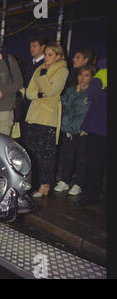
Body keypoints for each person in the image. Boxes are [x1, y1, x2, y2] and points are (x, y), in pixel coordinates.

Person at [25, 42, 69, 198]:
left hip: (48, 116)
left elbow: (51, 90)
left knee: (46, 153)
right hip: (34, 114)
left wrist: (43, 78)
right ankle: (34, 182)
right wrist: (40, 94)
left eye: (50, 55)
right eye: (46, 54)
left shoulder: (62, 71)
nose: (47, 57)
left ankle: (45, 185)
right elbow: (29, 92)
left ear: (58, 56)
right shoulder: (39, 69)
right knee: (33, 151)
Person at [54, 65, 96, 196]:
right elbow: (65, 106)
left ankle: (79, 183)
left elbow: (86, 111)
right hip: (68, 128)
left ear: (92, 77)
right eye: (80, 75)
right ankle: (65, 180)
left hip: (82, 130)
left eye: (86, 75)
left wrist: (87, 127)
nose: (82, 78)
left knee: (81, 158)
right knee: (67, 155)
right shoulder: (71, 90)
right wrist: (75, 94)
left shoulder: (92, 93)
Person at [74, 77, 107, 207]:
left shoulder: (99, 86)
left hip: (99, 131)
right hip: (97, 131)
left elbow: (94, 93)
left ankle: (91, 194)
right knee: (92, 165)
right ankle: (91, 194)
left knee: (93, 164)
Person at [20, 36, 48, 145]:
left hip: (37, 103)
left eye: (34, 46)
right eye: (30, 46)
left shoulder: (45, 66)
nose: (31, 48)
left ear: (43, 47)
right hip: (25, 102)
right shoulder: (27, 64)